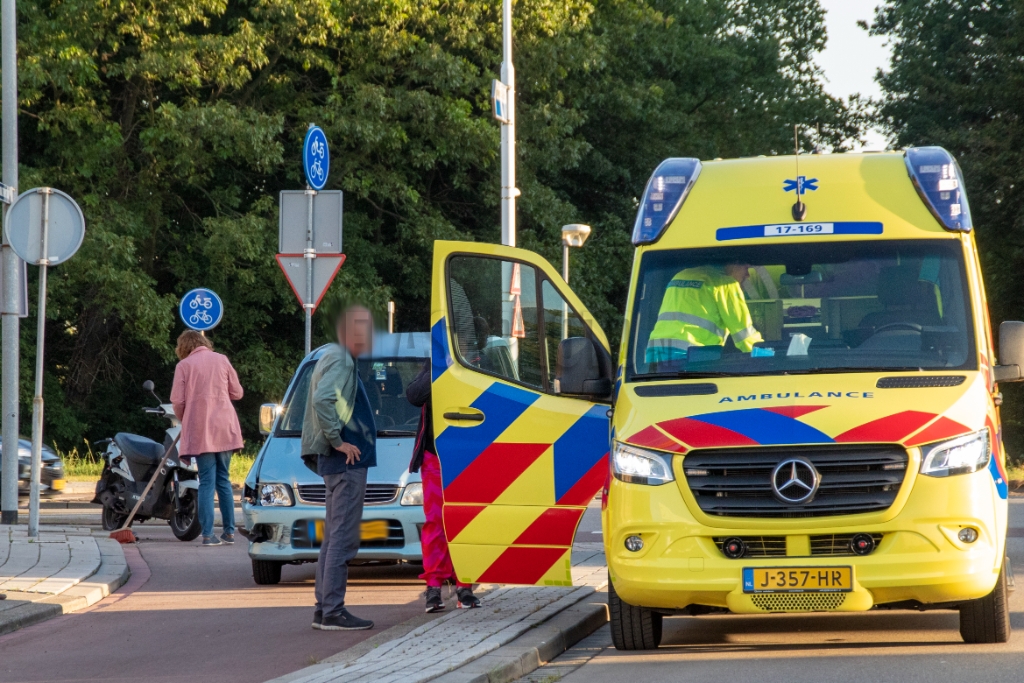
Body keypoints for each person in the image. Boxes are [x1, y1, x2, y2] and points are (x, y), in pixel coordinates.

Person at [302, 306, 378, 632]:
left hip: (338, 463)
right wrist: (338, 441)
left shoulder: (333, 355)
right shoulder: (343, 359)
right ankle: (333, 610)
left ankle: (324, 609)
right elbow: (323, 400)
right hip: (346, 462)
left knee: (333, 537)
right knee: (343, 539)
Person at [406, 360, 482, 612]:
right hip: (434, 456)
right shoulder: (434, 364)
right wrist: (440, 367)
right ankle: (434, 588)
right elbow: (414, 396)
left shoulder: (483, 366)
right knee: (435, 522)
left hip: (468, 456)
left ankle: (465, 586)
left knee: (466, 521)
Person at [170, 330, 244, 547]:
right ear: (204, 342)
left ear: (183, 347)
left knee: (206, 482)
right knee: (224, 480)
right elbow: (237, 393)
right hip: (225, 427)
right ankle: (229, 533)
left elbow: (177, 402)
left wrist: (188, 419)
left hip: (201, 430)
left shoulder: (184, 366)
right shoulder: (222, 360)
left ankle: (208, 534)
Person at [646, 262, 764, 364]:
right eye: (746, 268)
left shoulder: (679, 276)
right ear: (734, 263)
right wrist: (769, 355)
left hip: (655, 354)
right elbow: (744, 334)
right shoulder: (725, 283)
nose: (748, 275)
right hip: (688, 357)